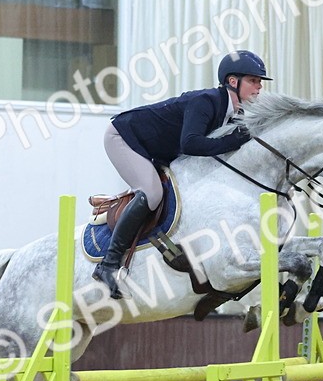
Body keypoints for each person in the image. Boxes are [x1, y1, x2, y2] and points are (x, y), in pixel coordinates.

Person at [93, 50, 271, 298]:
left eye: (260, 82)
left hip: (155, 150)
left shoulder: (235, 112)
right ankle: (109, 265)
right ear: (233, 81)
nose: (259, 87)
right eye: (253, 80)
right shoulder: (207, 101)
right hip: (123, 137)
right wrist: (232, 141)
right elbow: (190, 144)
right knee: (152, 193)